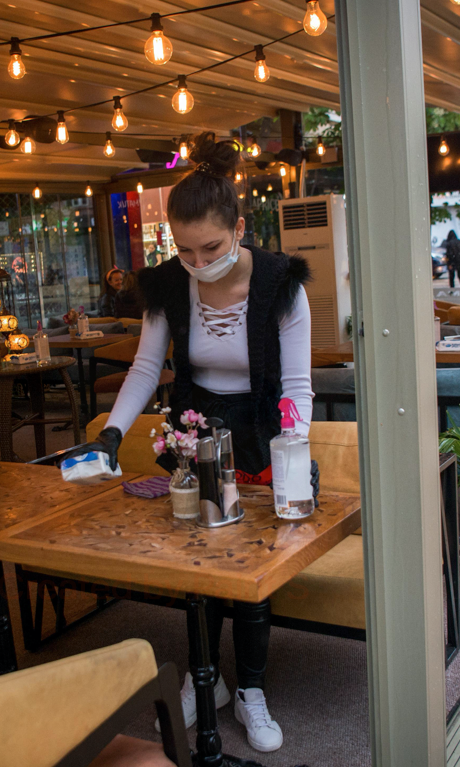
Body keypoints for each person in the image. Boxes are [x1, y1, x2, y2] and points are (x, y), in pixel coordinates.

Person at [67, 133, 317, 754]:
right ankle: (208, 679)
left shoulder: (283, 286)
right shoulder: (169, 287)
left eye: (210, 247)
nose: (198, 261)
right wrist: (111, 435)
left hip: (264, 431)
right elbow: (146, 371)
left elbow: (298, 385)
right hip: (196, 433)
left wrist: (294, 450)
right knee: (199, 563)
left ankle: (251, 688)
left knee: (253, 570)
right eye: (184, 250)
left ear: (238, 227)